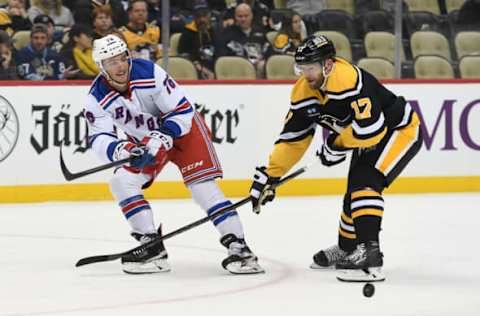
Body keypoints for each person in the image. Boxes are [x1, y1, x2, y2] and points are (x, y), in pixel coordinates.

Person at [84, 34, 264, 275]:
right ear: (101, 67)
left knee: (203, 189)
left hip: (185, 133)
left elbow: (181, 112)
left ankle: (239, 247)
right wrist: (123, 149)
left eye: (122, 58)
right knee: (122, 181)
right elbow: (98, 137)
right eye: (111, 62)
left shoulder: (149, 72)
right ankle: (152, 245)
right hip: (145, 143)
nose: (120, 66)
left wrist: (160, 137)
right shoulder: (96, 96)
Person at [249, 35, 422, 282]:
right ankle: (348, 248)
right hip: (366, 137)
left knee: (365, 182)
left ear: (328, 65)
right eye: (302, 68)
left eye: (311, 67)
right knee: (354, 191)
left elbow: (371, 129)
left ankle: (370, 256)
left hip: (398, 130)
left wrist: (335, 145)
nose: (306, 74)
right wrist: (271, 173)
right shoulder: (303, 91)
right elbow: (293, 139)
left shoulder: (347, 79)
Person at [217, 3, 272, 78]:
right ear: (235, 17)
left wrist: (262, 59)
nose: (243, 19)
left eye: (246, 16)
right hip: (237, 70)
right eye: (240, 16)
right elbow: (222, 56)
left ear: (251, 16)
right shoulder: (226, 34)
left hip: (259, 70)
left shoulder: (261, 32)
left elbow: (269, 51)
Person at [178, 1, 216, 79]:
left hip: (214, 69)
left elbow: (220, 52)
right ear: (194, 17)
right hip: (194, 69)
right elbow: (183, 55)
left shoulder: (214, 31)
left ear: (209, 15)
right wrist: (199, 68)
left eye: (204, 15)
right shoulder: (187, 32)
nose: (202, 19)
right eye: (198, 16)